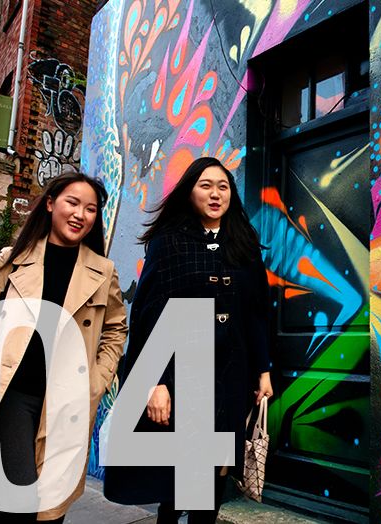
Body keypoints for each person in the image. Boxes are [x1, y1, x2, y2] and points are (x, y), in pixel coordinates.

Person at [0, 171, 128, 523]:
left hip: (66, 404)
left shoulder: (103, 271)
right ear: (50, 204)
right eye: (72, 203)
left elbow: (116, 329)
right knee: (21, 502)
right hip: (12, 396)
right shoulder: (14, 259)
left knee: (50, 510)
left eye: (90, 209)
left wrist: (97, 381)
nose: (80, 214)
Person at [103, 157, 273, 523]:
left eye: (223, 187)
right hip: (183, 372)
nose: (215, 194)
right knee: (180, 472)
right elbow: (149, 315)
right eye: (205, 185)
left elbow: (255, 313)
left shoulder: (244, 243)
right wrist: (155, 382)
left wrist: (263, 371)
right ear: (190, 192)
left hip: (231, 373)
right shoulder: (168, 243)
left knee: (215, 469)